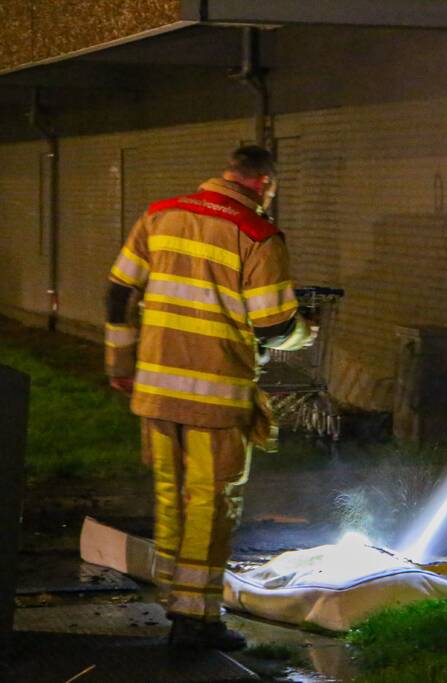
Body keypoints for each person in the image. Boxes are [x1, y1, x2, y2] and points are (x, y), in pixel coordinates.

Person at [104, 145, 313, 649]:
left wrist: (120, 361)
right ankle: (196, 619)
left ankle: (173, 598)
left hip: (155, 389)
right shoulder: (257, 234)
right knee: (211, 502)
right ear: (262, 183)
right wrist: (303, 333)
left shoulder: (160, 214)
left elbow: (118, 291)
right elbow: (272, 324)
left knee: (170, 496)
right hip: (214, 398)